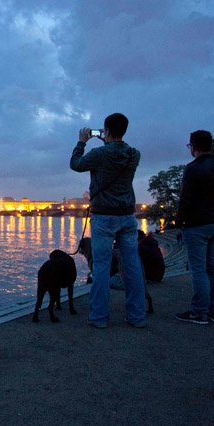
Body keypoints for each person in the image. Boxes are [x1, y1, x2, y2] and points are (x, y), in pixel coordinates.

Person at [69, 112, 147, 329]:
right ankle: (137, 316)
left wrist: (81, 142)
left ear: (107, 131)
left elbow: (75, 164)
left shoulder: (98, 154)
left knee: (101, 267)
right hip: (127, 216)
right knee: (131, 266)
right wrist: (110, 139)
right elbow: (117, 154)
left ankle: (99, 317)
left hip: (103, 217)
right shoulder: (135, 155)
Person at [174, 130, 214, 325]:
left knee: (198, 270)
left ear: (193, 147)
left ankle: (199, 312)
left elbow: (186, 199)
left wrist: (179, 221)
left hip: (197, 225)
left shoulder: (193, 169)